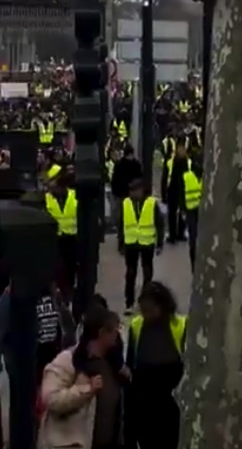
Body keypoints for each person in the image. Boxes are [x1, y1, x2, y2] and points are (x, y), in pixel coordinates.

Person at [38, 305, 123, 449]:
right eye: (114, 330)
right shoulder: (68, 360)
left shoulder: (111, 362)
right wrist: (85, 389)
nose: (117, 334)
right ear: (102, 333)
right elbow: (51, 399)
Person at [124, 281, 186, 449]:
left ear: (163, 306)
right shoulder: (137, 325)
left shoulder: (180, 326)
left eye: (150, 310)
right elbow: (131, 364)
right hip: (144, 404)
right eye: (143, 310)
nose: (146, 314)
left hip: (169, 404)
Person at [118, 179, 164, 315]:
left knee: (147, 273)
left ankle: (145, 300)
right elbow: (121, 224)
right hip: (131, 242)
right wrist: (120, 243)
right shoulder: (125, 204)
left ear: (142, 190)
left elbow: (159, 224)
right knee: (130, 273)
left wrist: (159, 243)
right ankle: (129, 303)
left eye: (136, 190)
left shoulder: (152, 203)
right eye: (131, 190)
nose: (133, 193)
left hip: (146, 242)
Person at [45, 171, 77, 297]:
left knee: (71, 266)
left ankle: (69, 288)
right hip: (55, 238)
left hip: (71, 236)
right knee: (58, 266)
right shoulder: (47, 198)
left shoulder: (74, 196)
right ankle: (60, 289)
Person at [182, 162, 202, 270]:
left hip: (203, 213)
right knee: (193, 238)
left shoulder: (206, 176)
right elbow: (181, 192)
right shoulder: (187, 177)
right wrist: (182, 209)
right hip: (191, 211)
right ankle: (194, 266)